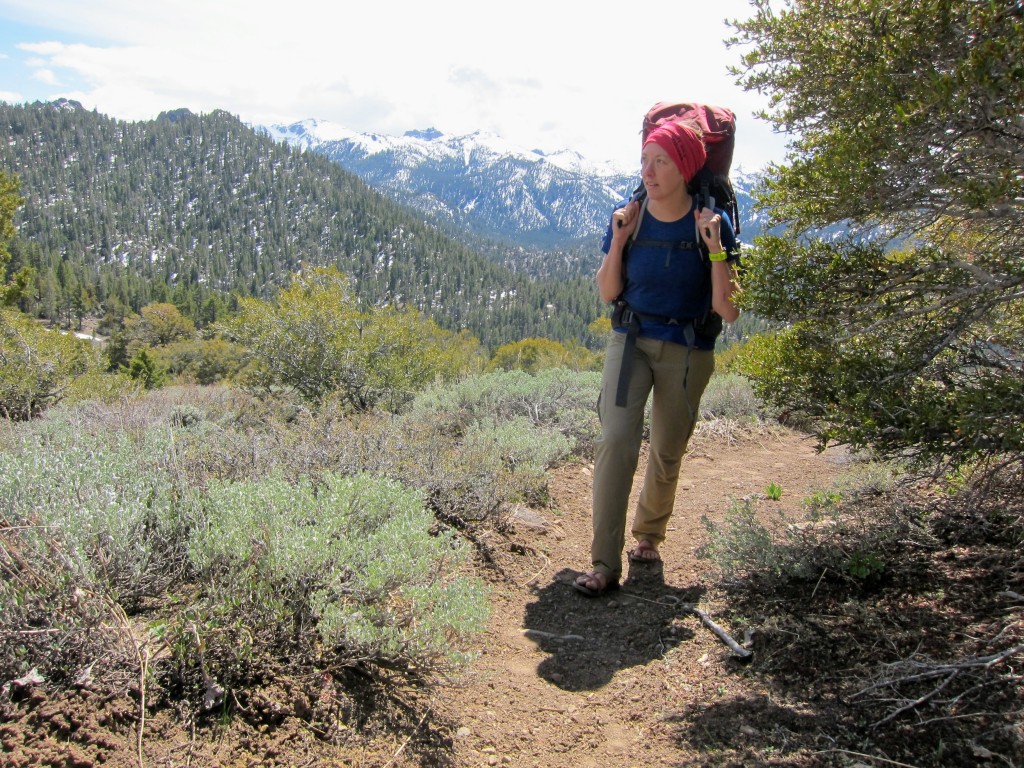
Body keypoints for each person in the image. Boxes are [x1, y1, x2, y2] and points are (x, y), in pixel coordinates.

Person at [574, 119, 741, 597]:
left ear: (684, 167)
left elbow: (728, 310)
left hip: (688, 349)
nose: (647, 171)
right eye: (645, 160)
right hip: (631, 339)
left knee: (667, 447)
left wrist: (715, 251)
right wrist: (619, 239)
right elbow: (608, 292)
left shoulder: (713, 223)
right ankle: (604, 563)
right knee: (616, 440)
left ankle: (648, 534)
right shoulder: (630, 216)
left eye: (660, 161)